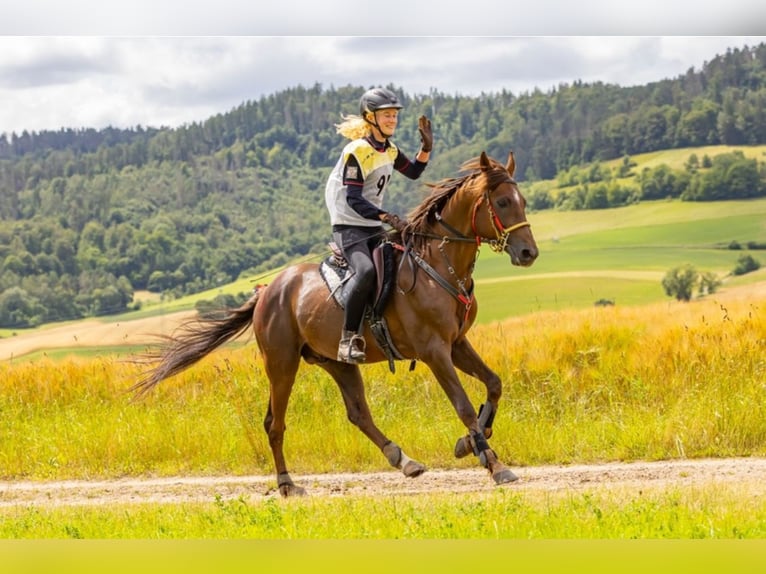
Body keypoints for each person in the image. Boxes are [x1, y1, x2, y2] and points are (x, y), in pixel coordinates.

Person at [324, 87, 433, 364]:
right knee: (366, 271)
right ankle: (348, 339)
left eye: (394, 115)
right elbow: (353, 198)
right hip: (349, 226)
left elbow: (413, 172)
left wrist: (426, 149)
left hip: (372, 225)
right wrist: (385, 216)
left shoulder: (389, 149)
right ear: (370, 118)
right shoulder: (357, 150)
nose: (392, 120)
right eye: (386, 115)